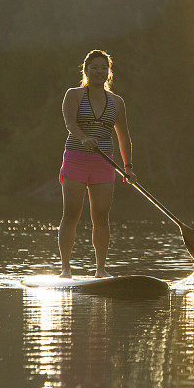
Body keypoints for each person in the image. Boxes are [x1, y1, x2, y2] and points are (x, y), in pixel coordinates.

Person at [57, 49, 137, 278]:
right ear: (86, 70)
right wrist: (84, 138)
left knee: (101, 217)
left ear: (109, 72)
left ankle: (100, 270)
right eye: (95, 68)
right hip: (76, 158)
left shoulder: (117, 102)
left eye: (104, 68)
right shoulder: (73, 94)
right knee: (71, 214)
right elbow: (70, 123)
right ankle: (66, 269)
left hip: (104, 162)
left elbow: (123, 136)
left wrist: (128, 167)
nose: (100, 71)